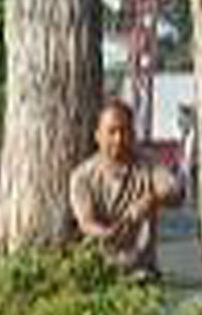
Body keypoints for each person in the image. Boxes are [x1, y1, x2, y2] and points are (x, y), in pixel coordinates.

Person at [69, 98, 186, 280]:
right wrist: (106, 233)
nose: (119, 138)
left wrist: (152, 199)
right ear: (98, 136)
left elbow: (177, 192)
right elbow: (86, 222)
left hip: (143, 273)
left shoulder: (149, 164)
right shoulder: (82, 177)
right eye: (112, 131)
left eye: (125, 131)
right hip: (98, 272)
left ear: (133, 134)